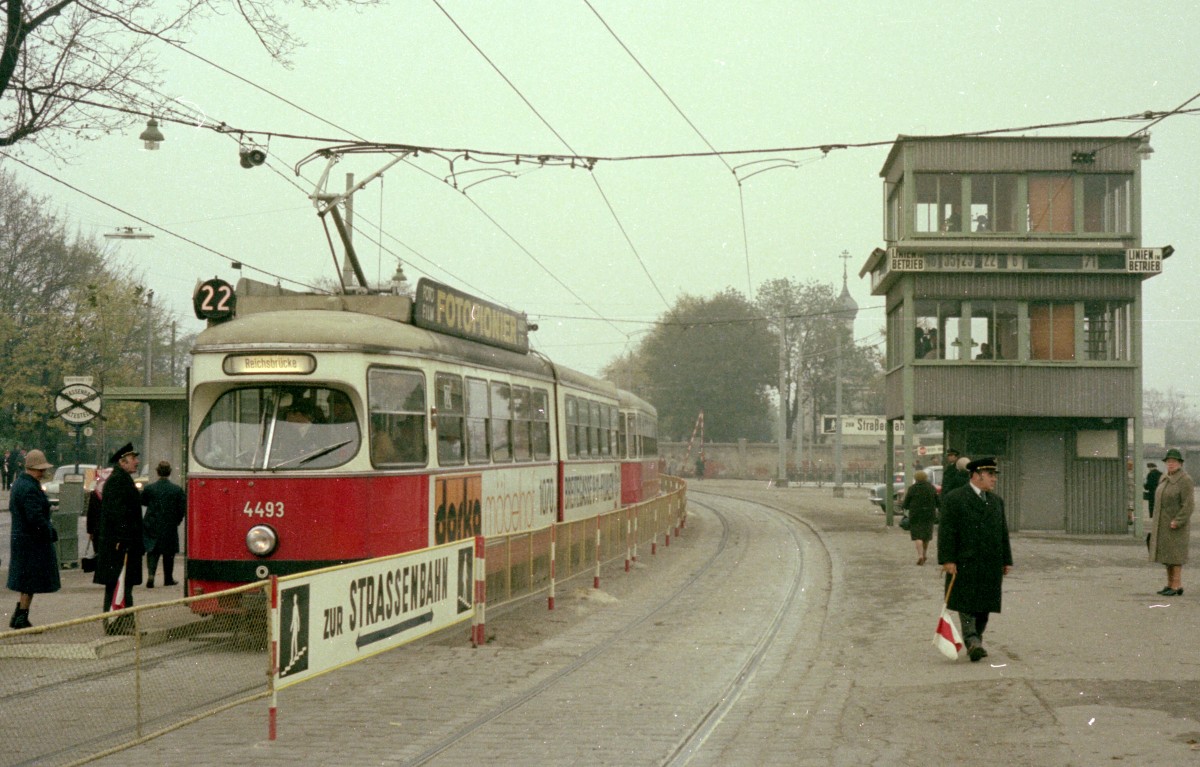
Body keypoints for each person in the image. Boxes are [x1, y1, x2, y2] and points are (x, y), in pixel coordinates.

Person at [938, 456, 1012, 662]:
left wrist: (1006, 559)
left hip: (990, 562)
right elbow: (947, 532)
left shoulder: (997, 501)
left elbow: (1002, 532)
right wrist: (947, 560)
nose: (994, 479)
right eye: (990, 475)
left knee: (985, 604)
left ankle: (976, 639)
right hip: (965, 561)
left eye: (995, 475)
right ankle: (972, 640)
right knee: (966, 602)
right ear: (976, 475)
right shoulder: (955, 498)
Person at [6, 449, 60, 629]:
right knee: (29, 582)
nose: (43, 473)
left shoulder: (21, 484)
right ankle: (20, 618)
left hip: (23, 541)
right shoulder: (29, 488)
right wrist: (49, 531)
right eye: (41, 469)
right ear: (33, 469)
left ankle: (20, 615)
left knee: (27, 582)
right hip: (32, 543)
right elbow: (35, 518)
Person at [94, 443, 143, 632]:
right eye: (133, 459)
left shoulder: (123, 480)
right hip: (119, 545)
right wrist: (124, 538)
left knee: (125, 584)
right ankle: (116, 624)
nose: (137, 462)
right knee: (117, 584)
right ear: (123, 462)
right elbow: (118, 515)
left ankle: (126, 623)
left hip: (123, 544)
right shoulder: (117, 482)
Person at [1149, 448, 1193, 596]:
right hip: (1163, 525)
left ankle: (1176, 585)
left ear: (1180, 463)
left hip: (1175, 525)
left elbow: (1188, 505)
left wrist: (1178, 521)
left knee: (1175, 557)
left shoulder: (1185, 480)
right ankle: (1170, 585)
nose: (1171, 464)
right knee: (1166, 556)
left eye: (1174, 461)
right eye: (1168, 461)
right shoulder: (1164, 478)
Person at [141, 460, 186, 589]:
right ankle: (168, 578)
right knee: (169, 553)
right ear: (170, 472)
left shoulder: (149, 488)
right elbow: (181, 509)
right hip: (169, 525)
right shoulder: (176, 490)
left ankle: (151, 575)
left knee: (152, 551)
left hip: (152, 523)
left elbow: (143, 501)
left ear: (157, 472)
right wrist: (176, 520)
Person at [901, 469, 939, 565]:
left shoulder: (912, 488)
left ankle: (920, 555)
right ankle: (925, 554)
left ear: (916, 478)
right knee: (926, 536)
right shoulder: (931, 488)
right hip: (929, 514)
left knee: (917, 536)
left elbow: (906, 504)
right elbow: (938, 502)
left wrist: (905, 507)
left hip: (915, 515)